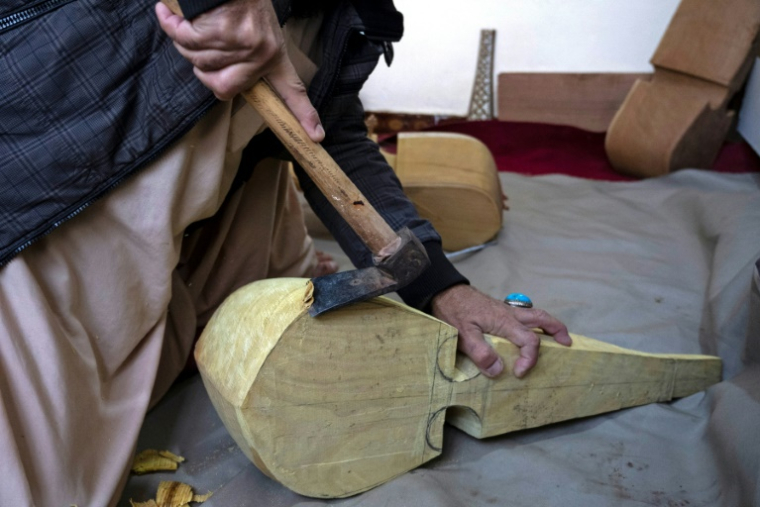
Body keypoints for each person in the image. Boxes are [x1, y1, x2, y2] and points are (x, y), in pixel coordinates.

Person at [0, 0, 571, 504]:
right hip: (58, 159)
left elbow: (330, 127)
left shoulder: (353, 12)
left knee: (257, 310)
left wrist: (441, 286)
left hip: (200, 176)